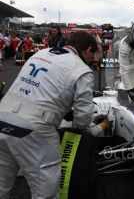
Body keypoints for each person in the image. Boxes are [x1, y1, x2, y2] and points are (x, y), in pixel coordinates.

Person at [0, 31, 109, 198]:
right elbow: (82, 121)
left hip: (3, 119)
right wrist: (101, 126)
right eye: (92, 54)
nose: (92, 59)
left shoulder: (40, 54)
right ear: (87, 50)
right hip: (34, 130)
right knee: (46, 193)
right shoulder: (82, 70)